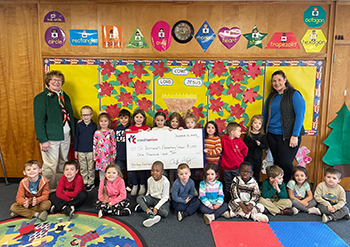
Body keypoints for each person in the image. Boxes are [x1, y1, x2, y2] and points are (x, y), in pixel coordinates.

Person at [34, 70, 75, 191]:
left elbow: (67, 115)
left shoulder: (64, 96)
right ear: (48, 81)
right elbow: (39, 121)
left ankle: (60, 187)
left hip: (65, 134)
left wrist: (76, 121)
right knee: (50, 165)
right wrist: (43, 140)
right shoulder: (41, 98)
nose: (57, 82)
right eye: (54, 80)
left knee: (63, 162)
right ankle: (48, 190)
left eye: (59, 80)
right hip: (50, 137)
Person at [263, 70, 306, 182]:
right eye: (274, 81)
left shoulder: (294, 94)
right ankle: (278, 188)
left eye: (279, 80)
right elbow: (265, 115)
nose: (277, 83)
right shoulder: (272, 96)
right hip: (272, 135)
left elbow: (300, 116)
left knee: (285, 163)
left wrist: (295, 135)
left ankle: (288, 187)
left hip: (288, 136)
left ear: (285, 80)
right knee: (277, 163)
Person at [135, 161, 170, 227]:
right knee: (139, 198)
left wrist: (157, 207)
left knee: (164, 213)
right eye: (152, 170)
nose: (154, 173)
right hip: (152, 198)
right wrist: (145, 200)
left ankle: (149, 209)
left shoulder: (165, 181)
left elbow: (165, 197)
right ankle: (149, 211)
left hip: (161, 200)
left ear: (162, 172)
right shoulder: (149, 179)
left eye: (157, 171)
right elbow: (148, 192)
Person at [221, 122, 248, 200]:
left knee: (237, 182)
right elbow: (221, 151)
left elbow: (245, 150)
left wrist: (240, 157)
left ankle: (237, 197)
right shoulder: (224, 140)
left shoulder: (239, 141)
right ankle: (228, 197)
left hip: (237, 167)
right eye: (239, 131)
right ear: (232, 132)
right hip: (226, 167)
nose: (240, 132)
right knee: (228, 183)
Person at [127, 109, 150, 196]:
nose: (139, 119)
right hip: (133, 154)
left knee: (143, 169)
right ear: (133, 118)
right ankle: (135, 185)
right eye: (137, 117)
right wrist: (128, 133)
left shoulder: (146, 128)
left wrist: (146, 132)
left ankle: (142, 185)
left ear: (144, 118)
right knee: (134, 169)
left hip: (144, 153)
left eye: (141, 117)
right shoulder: (130, 128)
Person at [74, 105, 97, 192]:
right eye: (84, 115)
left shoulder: (94, 126)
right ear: (81, 116)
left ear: (91, 115)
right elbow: (76, 138)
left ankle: (91, 182)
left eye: (88, 115)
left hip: (91, 151)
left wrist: (96, 151)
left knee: (90, 167)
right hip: (81, 150)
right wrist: (76, 150)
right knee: (83, 167)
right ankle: (84, 181)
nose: (86, 117)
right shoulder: (79, 126)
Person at [243, 115, 267, 183]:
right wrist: (254, 143)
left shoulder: (262, 135)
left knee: (256, 172)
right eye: (255, 123)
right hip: (249, 157)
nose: (257, 125)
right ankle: (248, 185)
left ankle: (256, 186)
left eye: (259, 123)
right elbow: (245, 145)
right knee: (248, 172)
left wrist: (259, 144)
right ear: (251, 124)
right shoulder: (248, 135)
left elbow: (264, 146)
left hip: (258, 157)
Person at [93, 113, 116, 181]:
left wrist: (114, 154)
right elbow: (94, 145)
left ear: (109, 122)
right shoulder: (97, 133)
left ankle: (110, 185)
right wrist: (95, 156)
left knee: (110, 170)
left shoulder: (111, 132)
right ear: (99, 122)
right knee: (102, 171)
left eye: (105, 121)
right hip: (100, 156)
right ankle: (102, 185)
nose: (103, 123)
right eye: (101, 121)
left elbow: (114, 143)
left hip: (109, 155)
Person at [115, 109, 132, 192]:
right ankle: (120, 186)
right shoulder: (117, 129)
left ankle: (130, 184)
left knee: (130, 172)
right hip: (119, 155)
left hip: (130, 155)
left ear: (129, 118)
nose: (123, 120)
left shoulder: (132, 128)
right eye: (121, 118)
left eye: (125, 118)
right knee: (119, 171)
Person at [167, 112, 184, 187]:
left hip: (179, 155)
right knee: (171, 171)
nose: (174, 123)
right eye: (172, 121)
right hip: (170, 154)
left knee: (178, 170)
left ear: (179, 122)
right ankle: (171, 184)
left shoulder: (181, 130)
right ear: (170, 122)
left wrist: (182, 131)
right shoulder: (167, 130)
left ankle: (178, 185)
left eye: (176, 121)